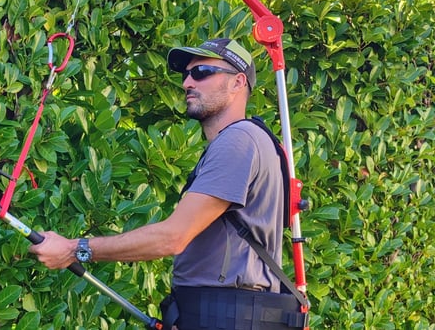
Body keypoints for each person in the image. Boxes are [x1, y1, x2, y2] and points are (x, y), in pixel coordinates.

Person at [28, 38, 297, 329]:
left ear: (238, 82)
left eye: (202, 72)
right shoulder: (245, 141)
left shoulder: (239, 140)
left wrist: (74, 249)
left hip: (230, 316)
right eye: (186, 75)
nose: (187, 83)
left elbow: (173, 237)